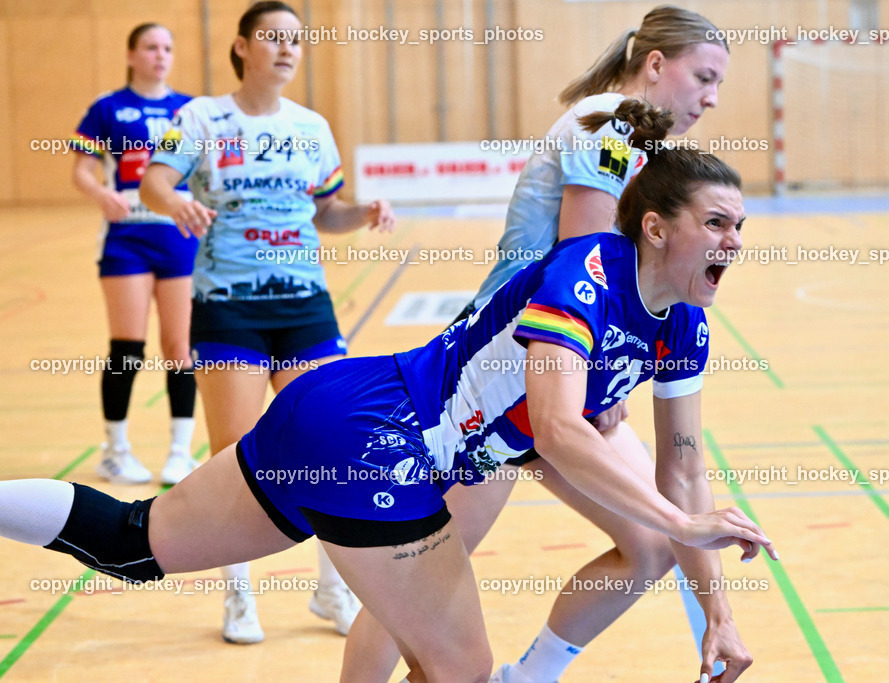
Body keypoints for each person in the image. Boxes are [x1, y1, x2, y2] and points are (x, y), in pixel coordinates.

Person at [0, 146, 778, 683]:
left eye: (739, 225)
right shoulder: (589, 271)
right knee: (464, 671)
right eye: (717, 223)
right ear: (655, 226)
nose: (734, 241)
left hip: (338, 406)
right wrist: (681, 526)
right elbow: (562, 428)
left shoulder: (684, 327)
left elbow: (683, 469)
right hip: (383, 441)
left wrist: (718, 612)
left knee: (135, 545)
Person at [342, 6, 737, 682]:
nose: (712, 97)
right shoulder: (613, 123)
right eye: (702, 77)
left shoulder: (645, 145)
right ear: (654, 66)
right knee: (424, 571)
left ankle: (526, 678)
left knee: (649, 544)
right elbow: (584, 258)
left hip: (564, 363)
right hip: (505, 366)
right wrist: (592, 373)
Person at [138, 1, 395, 645]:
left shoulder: (312, 126)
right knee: (235, 457)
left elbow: (326, 211)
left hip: (306, 307)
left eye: (296, 41)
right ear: (243, 47)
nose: (287, 49)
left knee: (333, 449)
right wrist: (174, 200)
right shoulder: (198, 117)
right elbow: (152, 181)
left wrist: (360, 212)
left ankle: (331, 591)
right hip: (230, 308)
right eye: (273, 39)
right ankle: (239, 594)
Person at [70, 23, 198, 486]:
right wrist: (101, 193)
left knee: (181, 347)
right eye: (150, 47)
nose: (160, 55)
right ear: (131, 54)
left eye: (167, 47)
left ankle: (180, 453)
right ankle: (115, 450)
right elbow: (82, 170)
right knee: (127, 347)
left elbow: (205, 171)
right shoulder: (108, 108)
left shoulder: (189, 110)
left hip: (179, 239)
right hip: (126, 239)